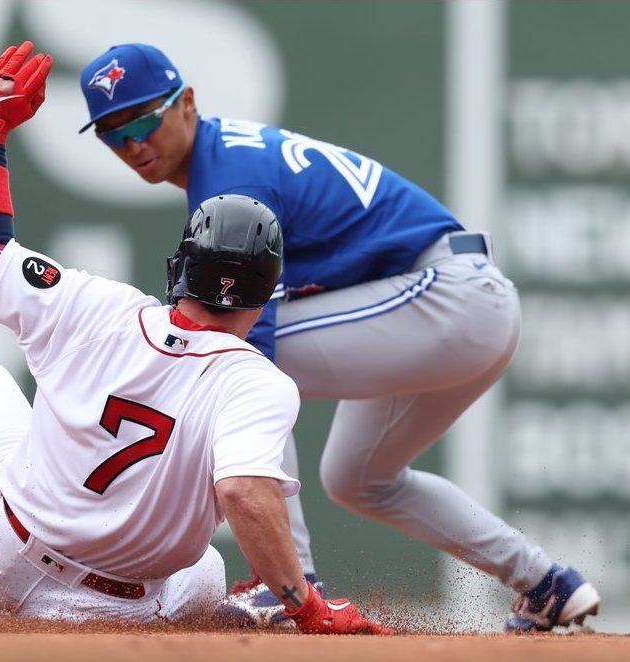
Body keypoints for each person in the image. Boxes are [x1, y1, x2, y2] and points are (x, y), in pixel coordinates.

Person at [0, 41, 389, 634]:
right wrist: (308, 607)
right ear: (267, 293)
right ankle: (235, 609)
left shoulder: (100, 310)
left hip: (12, 556)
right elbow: (244, 492)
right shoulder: (259, 383)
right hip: (127, 610)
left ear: (179, 268)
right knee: (204, 567)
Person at [78, 43, 601, 633]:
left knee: (231, 364)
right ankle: (545, 584)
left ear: (187, 104)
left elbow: (244, 347)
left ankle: (287, 583)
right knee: (360, 480)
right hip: (435, 306)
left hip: (447, 296)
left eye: (143, 119)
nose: (132, 143)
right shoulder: (225, 160)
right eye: (111, 133)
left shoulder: (231, 178)